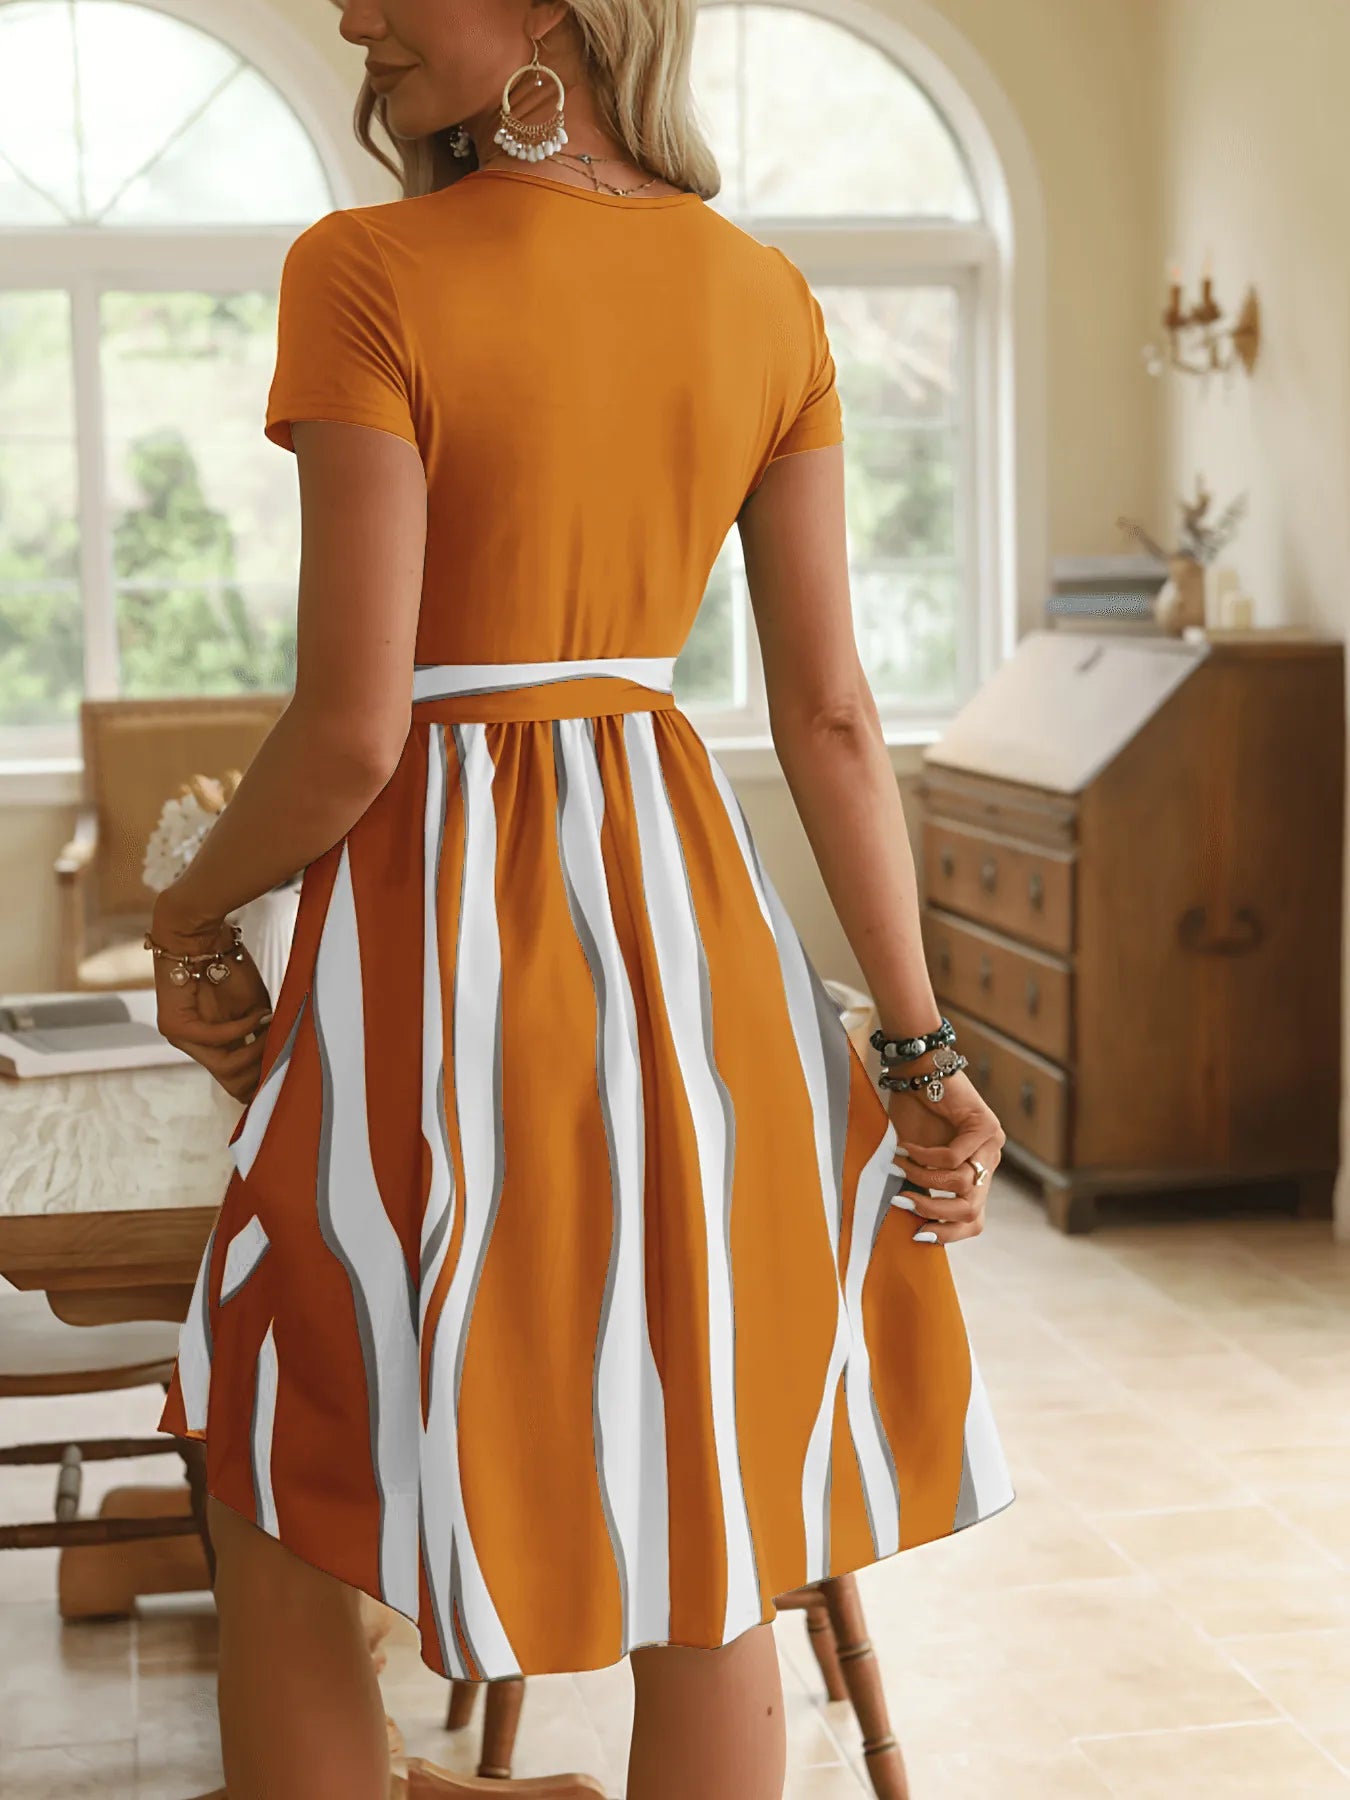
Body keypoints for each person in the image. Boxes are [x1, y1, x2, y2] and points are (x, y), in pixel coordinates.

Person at [148, 2, 1015, 1795]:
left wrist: (188, 916)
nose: (352, 15)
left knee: (288, 1472)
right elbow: (835, 718)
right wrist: (919, 1050)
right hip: (689, 946)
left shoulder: (367, 267)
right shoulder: (760, 293)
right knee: (705, 1540)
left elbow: (351, 731)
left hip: (437, 967)